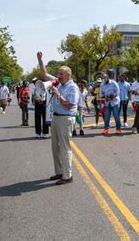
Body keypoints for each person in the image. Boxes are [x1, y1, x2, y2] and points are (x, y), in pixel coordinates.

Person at [37, 51, 79, 185]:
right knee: (55, 147)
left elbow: (69, 105)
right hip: (56, 118)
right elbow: (44, 74)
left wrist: (58, 94)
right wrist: (40, 60)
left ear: (68, 75)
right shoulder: (58, 83)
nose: (58, 76)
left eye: (61, 74)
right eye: (58, 73)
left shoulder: (73, 87)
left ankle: (68, 176)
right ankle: (60, 172)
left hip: (65, 119)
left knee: (65, 148)